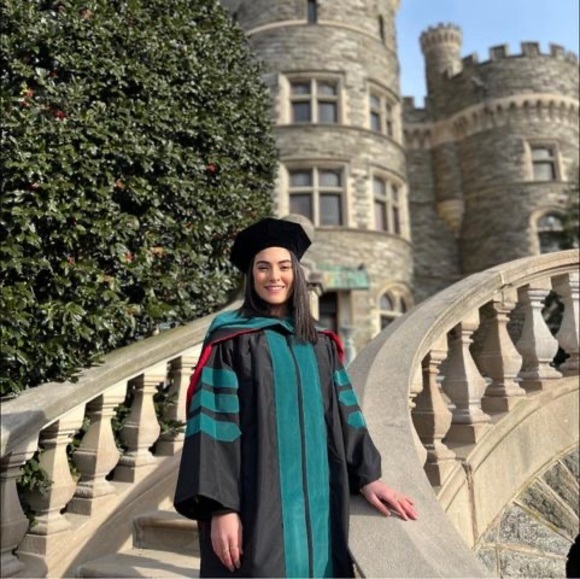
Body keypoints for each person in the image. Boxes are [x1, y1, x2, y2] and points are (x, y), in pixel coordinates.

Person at [174, 217, 417, 578]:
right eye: (263, 267)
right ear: (251, 276)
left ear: (297, 274)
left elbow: (345, 416)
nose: (274, 276)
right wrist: (221, 508)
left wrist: (369, 476)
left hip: (320, 501)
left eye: (284, 267)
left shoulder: (319, 343)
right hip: (257, 502)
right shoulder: (232, 341)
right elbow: (214, 429)